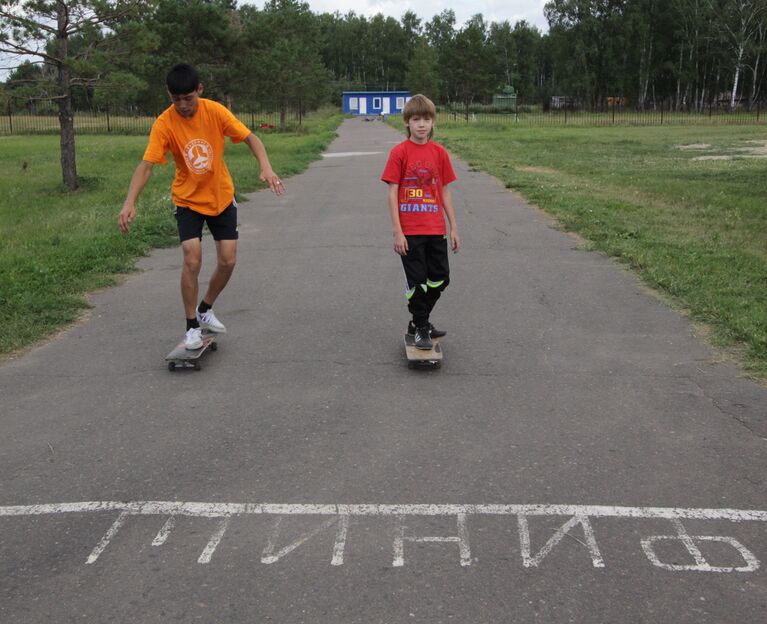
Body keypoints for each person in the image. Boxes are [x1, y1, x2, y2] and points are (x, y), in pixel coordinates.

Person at [118, 63, 284, 349]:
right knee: (192, 257)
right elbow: (146, 165)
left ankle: (205, 309)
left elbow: (250, 138)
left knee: (228, 260)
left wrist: (266, 168)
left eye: (188, 98)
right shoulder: (164, 123)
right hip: (188, 199)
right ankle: (191, 326)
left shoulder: (215, 111)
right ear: (169, 95)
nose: (182, 105)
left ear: (200, 89)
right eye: (176, 99)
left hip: (220, 195)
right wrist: (129, 201)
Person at [381, 94, 460, 350]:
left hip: (436, 229)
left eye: (426, 119)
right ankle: (422, 327)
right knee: (417, 284)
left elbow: (445, 191)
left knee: (441, 278)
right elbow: (392, 192)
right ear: (407, 123)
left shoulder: (439, 153)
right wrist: (397, 231)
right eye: (416, 119)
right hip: (410, 231)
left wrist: (454, 226)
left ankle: (417, 321)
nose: (422, 124)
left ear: (433, 122)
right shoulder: (399, 152)